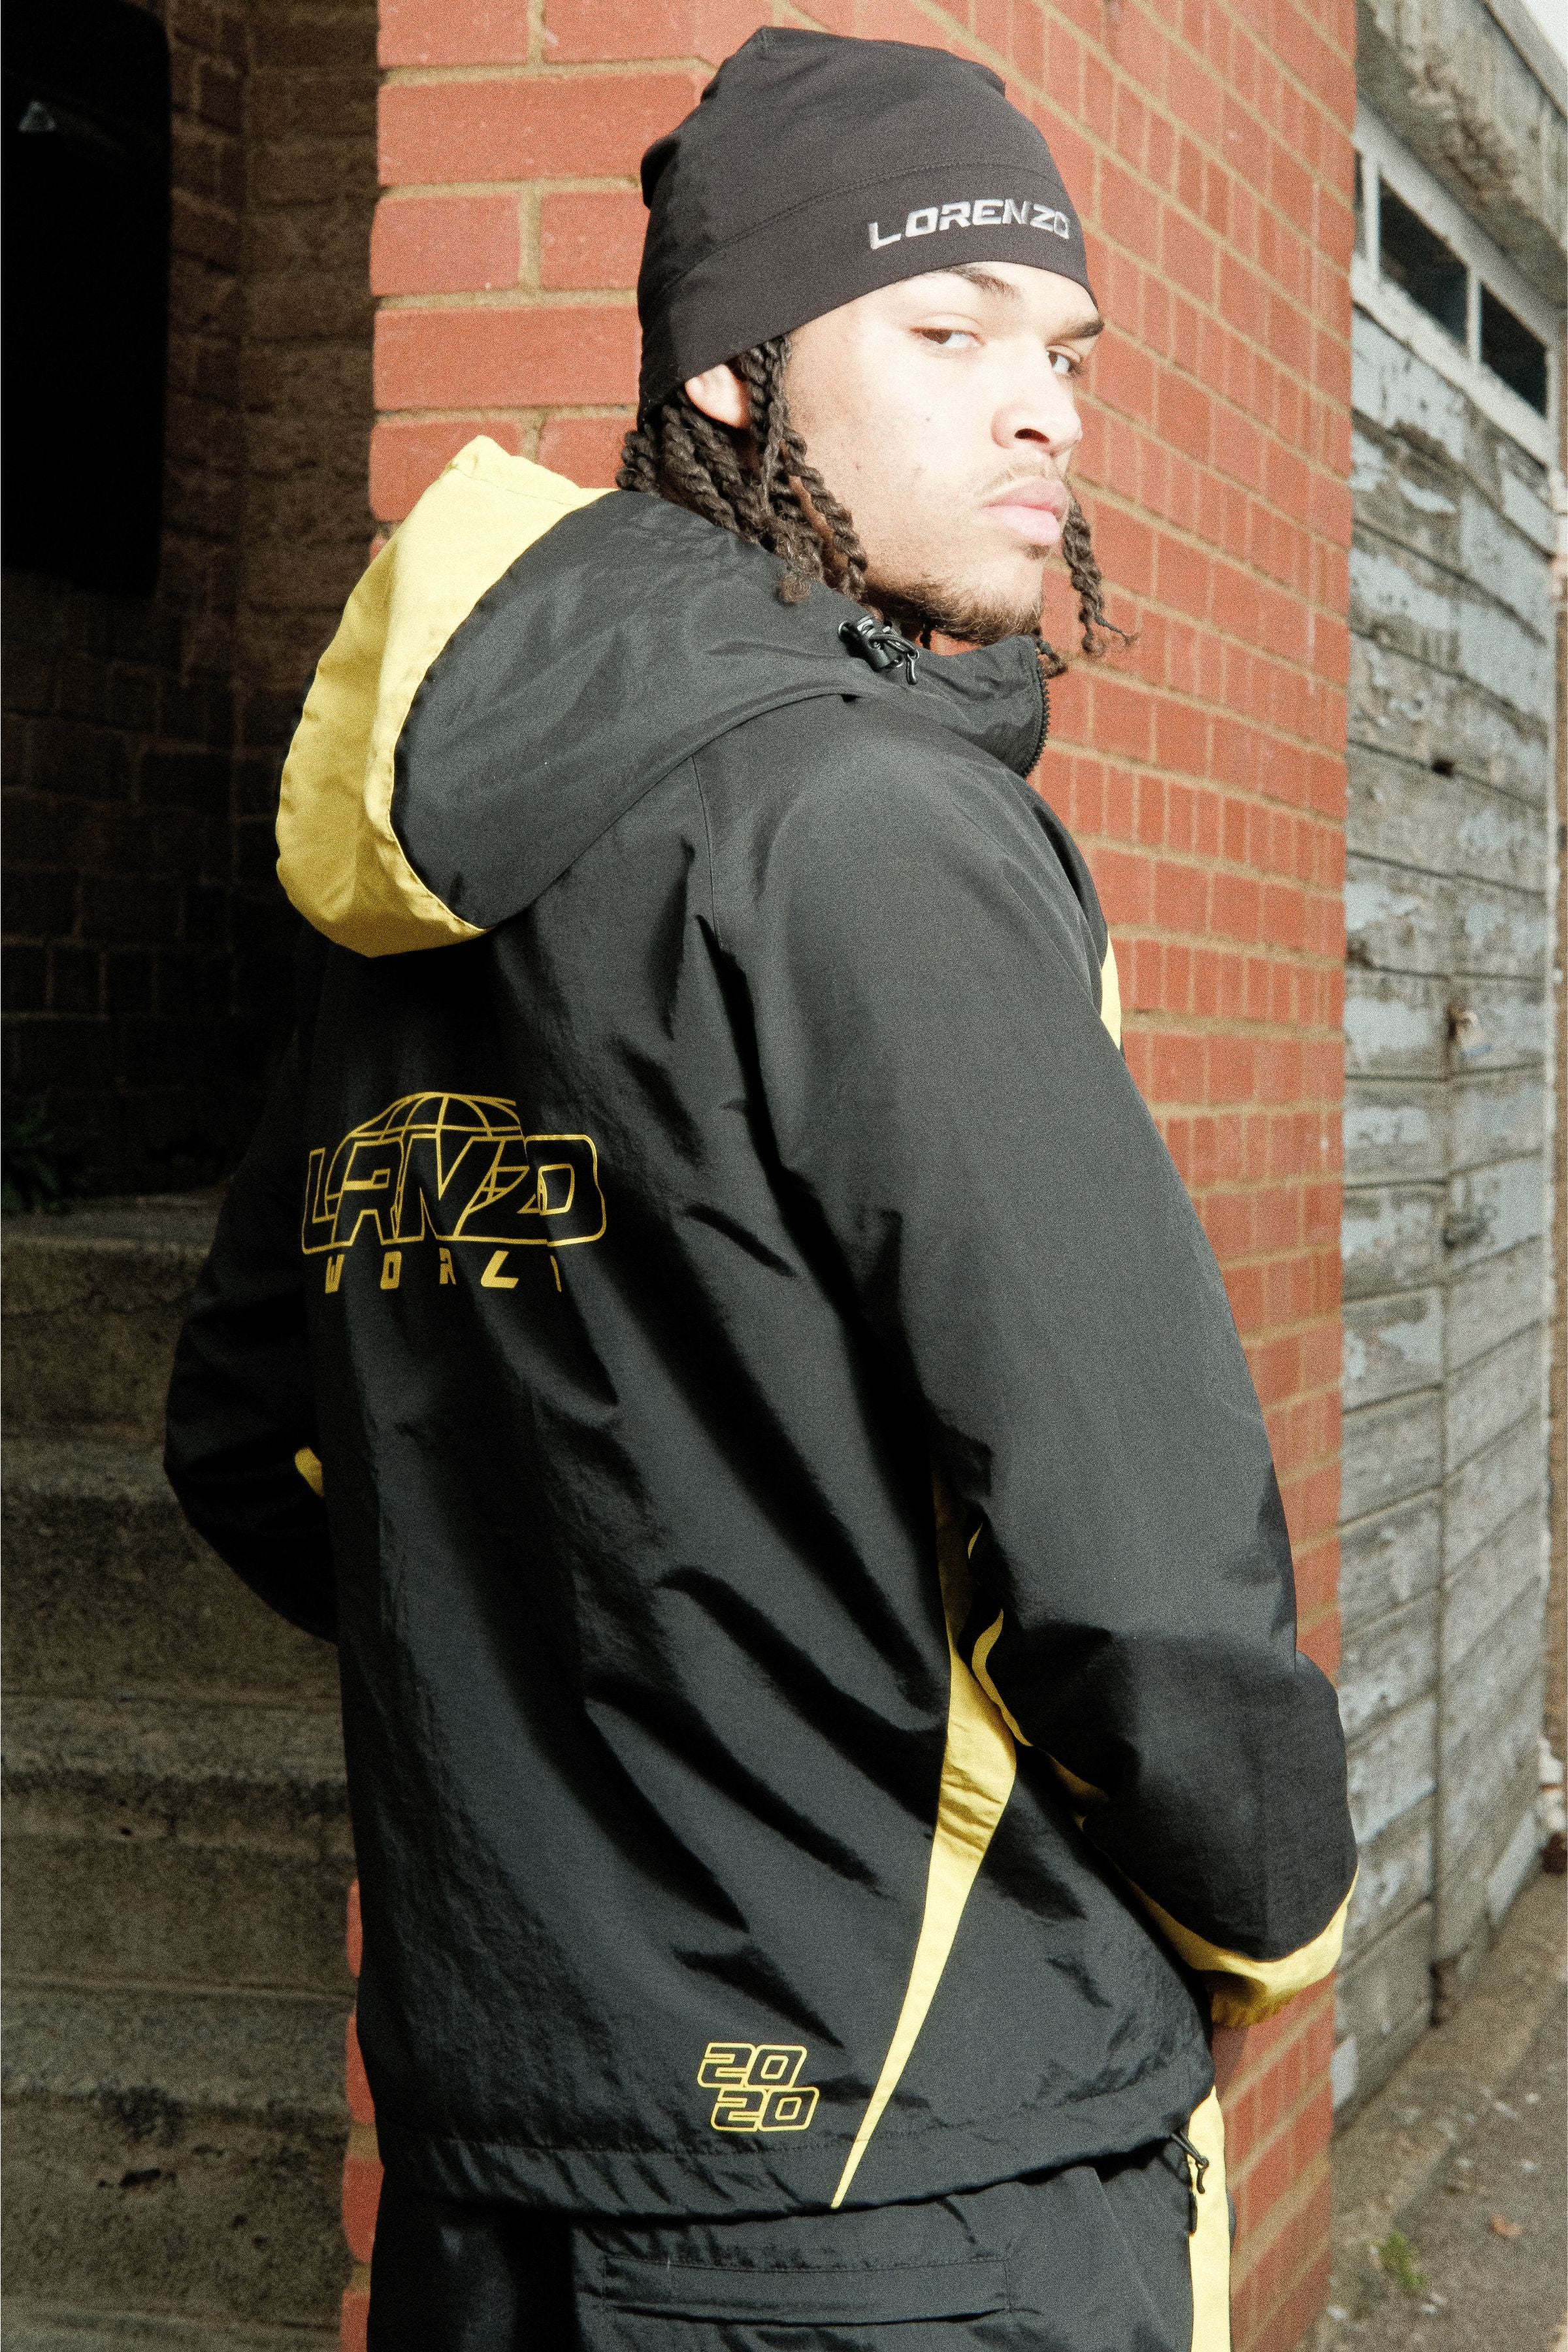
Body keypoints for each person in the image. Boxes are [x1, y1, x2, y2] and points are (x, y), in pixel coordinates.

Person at [165, 29, 1356, 2352]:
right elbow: (1136, 1556)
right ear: (729, 373)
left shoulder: (418, 880)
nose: (1045, 412)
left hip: (506, 2159)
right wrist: (1263, 1918)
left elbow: (258, 1441)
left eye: (1064, 352)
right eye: (946, 333)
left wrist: (605, 1736)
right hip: (909, 2191)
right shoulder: (871, 831)